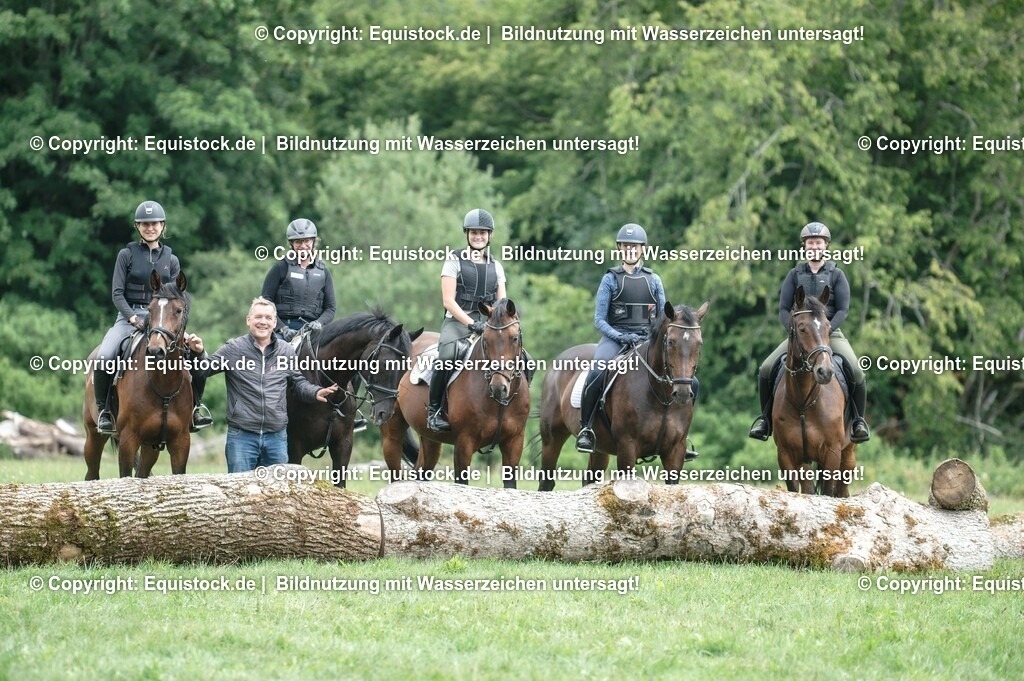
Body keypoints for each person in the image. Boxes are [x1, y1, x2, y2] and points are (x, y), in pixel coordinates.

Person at [93, 200, 212, 435]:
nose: (150, 228)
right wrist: (133, 319)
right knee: (105, 356)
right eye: (145, 224)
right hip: (129, 317)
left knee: (199, 355)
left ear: (162, 226)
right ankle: (104, 411)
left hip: (164, 320)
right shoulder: (126, 255)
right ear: (137, 227)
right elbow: (117, 294)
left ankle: (196, 408)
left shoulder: (171, 259)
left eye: (154, 224)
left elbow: (178, 298)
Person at [748, 221, 870, 442]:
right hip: (800, 337)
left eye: (819, 242)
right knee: (766, 368)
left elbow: (843, 310)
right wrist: (794, 332)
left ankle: (858, 421)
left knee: (857, 371)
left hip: (830, 334)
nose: (815, 246)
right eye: (810, 243)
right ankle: (765, 421)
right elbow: (783, 309)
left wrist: (827, 329)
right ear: (804, 246)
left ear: (826, 246)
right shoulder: (794, 275)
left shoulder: (837, 275)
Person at [185, 297, 339, 472]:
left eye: (268, 318)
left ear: (274, 323)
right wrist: (198, 353)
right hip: (241, 437)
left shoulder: (286, 351)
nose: (263, 322)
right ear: (248, 320)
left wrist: (315, 392)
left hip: (276, 438)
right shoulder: (234, 348)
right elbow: (202, 371)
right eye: (258, 317)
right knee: (239, 488)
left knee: (276, 489)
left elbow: (298, 383)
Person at [576, 224, 669, 454]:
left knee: (685, 379)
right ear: (620, 248)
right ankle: (586, 428)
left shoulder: (654, 280)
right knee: (597, 371)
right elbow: (599, 320)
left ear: (642, 249)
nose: (630, 250)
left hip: (647, 340)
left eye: (634, 246)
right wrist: (621, 336)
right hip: (616, 339)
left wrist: (650, 337)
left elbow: (663, 318)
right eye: (626, 246)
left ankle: (679, 435)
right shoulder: (610, 279)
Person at [426, 209, 507, 432]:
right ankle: (434, 411)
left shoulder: (496, 266)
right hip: (458, 321)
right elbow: (448, 301)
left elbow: (502, 303)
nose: (478, 236)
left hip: (488, 322)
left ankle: (511, 406)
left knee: (523, 358)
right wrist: (471, 324)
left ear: (489, 235)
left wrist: (495, 323)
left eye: (482, 233)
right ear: (467, 234)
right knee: (446, 357)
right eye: (474, 233)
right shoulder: (454, 260)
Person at [261, 218, 336, 341]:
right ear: (292, 244)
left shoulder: (324, 272)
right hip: (283, 331)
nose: (303, 246)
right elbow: (265, 301)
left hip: (313, 331)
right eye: (298, 242)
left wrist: (319, 323)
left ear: (313, 242)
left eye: (306, 241)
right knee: (276, 350)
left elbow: (330, 308)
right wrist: (282, 328)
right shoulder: (280, 268)